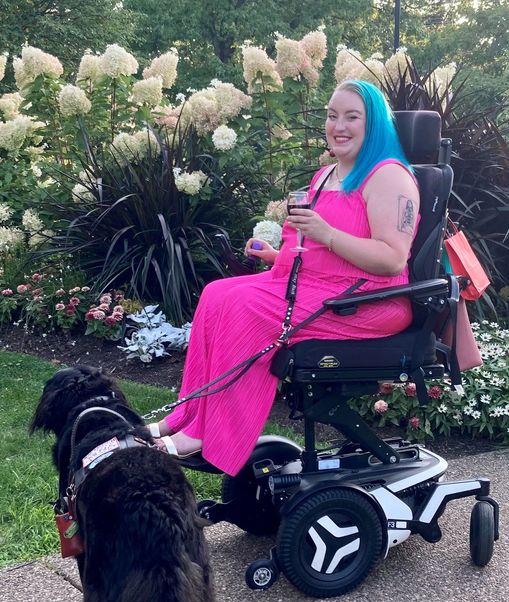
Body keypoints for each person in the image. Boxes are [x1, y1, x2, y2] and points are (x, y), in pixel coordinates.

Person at [151, 79, 420, 475]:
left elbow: (392, 259)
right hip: (322, 287)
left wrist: (326, 233)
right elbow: (321, 253)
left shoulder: (388, 177)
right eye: (332, 116)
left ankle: (212, 435)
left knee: (245, 308)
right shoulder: (326, 175)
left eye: (352, 117)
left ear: (374, 123)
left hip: (370, 300)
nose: (338, 125)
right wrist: (278, 255)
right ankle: (188, 415)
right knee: (216, 294)